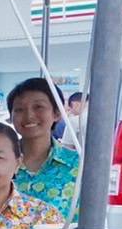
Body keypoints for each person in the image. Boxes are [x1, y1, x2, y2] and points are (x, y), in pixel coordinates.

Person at [9, 77, 81, 219]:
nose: (29, 115)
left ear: (57, 113)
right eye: (19, 109)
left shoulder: (78, 166)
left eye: (38, 107)